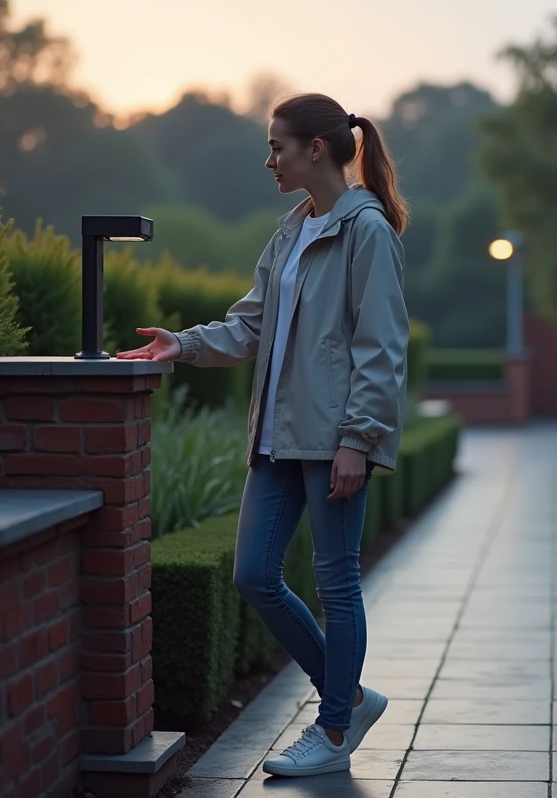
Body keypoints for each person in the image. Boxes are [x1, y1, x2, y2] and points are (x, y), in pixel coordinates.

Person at [116, 92, 410, 778]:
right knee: (253, 575)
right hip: (277, 437)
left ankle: (334, 728)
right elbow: (250, 325)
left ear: (316, 149)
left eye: (277, 145)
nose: (269, 159)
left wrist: (357, 440)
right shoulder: (291, 231)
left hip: (332, 437)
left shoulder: (367, 231)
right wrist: (180, 345)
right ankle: (353, 698)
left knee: (338, 583)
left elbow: (381, 349)